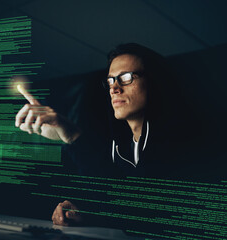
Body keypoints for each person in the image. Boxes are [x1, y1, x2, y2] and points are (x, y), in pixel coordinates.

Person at [15, 43, 199, 226]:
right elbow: (116, 198)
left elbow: (148, 210)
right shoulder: (121, 149)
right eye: (111, 80)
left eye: (126, 77)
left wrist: (73, 135)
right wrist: (82, 212)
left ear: (154, 81)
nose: (114, 88)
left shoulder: (185, 146)